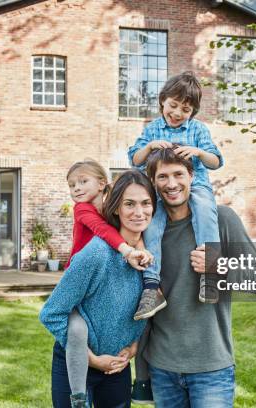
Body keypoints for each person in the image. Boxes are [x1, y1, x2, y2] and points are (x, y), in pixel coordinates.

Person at [141, 147, 256, 407]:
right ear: (153, 181)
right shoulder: (147, 229)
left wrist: (220, 266)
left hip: (211, 367)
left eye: (178, 174)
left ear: (192, 176)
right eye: (163, 177)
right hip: (162, 366)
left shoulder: (222, 220)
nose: (171, 184)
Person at [39, 169, 156, 408]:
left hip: (117, 367)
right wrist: (90, 359)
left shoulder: (152, 258)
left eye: (146, 203)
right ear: (115, 208)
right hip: (76, 363)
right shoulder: (97, 253)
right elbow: (51, 313)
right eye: (129, 204)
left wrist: (134, 346)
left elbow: (150, 308)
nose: (139, 212)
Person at [128, 71, 224, 322]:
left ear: (193, 112)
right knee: (153, 225)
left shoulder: (198, 130)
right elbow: (135, 160)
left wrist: (199, 152)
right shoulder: (152, 129)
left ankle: (210, 274)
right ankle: (151, 286)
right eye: (173, 105)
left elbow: (215, 162)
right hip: (159, 191)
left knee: (205, 211)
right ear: (162, 101)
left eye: (186, 109)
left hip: (198, 185)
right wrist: (148, 147)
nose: (178, 113)